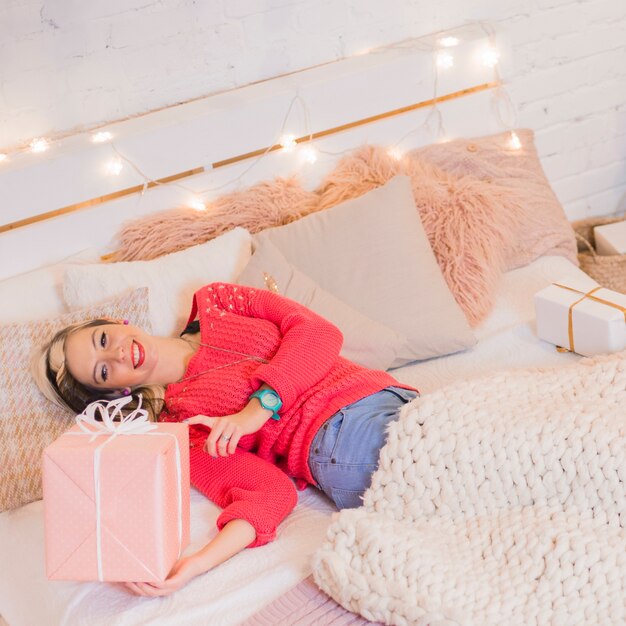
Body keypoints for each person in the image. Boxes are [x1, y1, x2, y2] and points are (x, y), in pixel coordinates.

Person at [33, 282, 418, 597]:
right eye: (103, 371)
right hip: (336, 441)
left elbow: (320, 333)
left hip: (393, 397)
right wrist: (195, 565)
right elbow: (269, 495)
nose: (116, 354)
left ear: (117, 321)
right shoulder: (182, 428)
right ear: (115, 393)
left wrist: (258, 408)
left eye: (103, 339)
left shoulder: (219, 301)